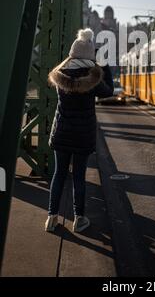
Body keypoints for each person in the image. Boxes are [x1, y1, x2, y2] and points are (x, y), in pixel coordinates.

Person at [45, 28, 113, 233]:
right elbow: (108, 91)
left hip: (62, 131)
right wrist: (104, 65)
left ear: (73, 53)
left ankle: (51, 218)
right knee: (78, 177)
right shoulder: (92, 77)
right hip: (82, 135)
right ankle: (79, 219)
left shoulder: (60, 75)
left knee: (59, 174)